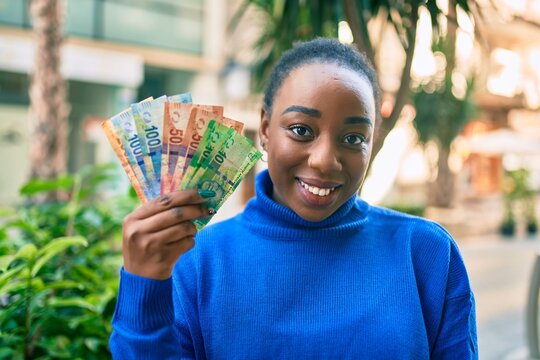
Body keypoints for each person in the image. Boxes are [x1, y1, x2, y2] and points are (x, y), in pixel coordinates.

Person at [110, 38, 478, 359]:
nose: (324, 160)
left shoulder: (427, 254)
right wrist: (144, 283)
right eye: (301, 130)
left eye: (353, 138)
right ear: (266, 130)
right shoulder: (196, 262)